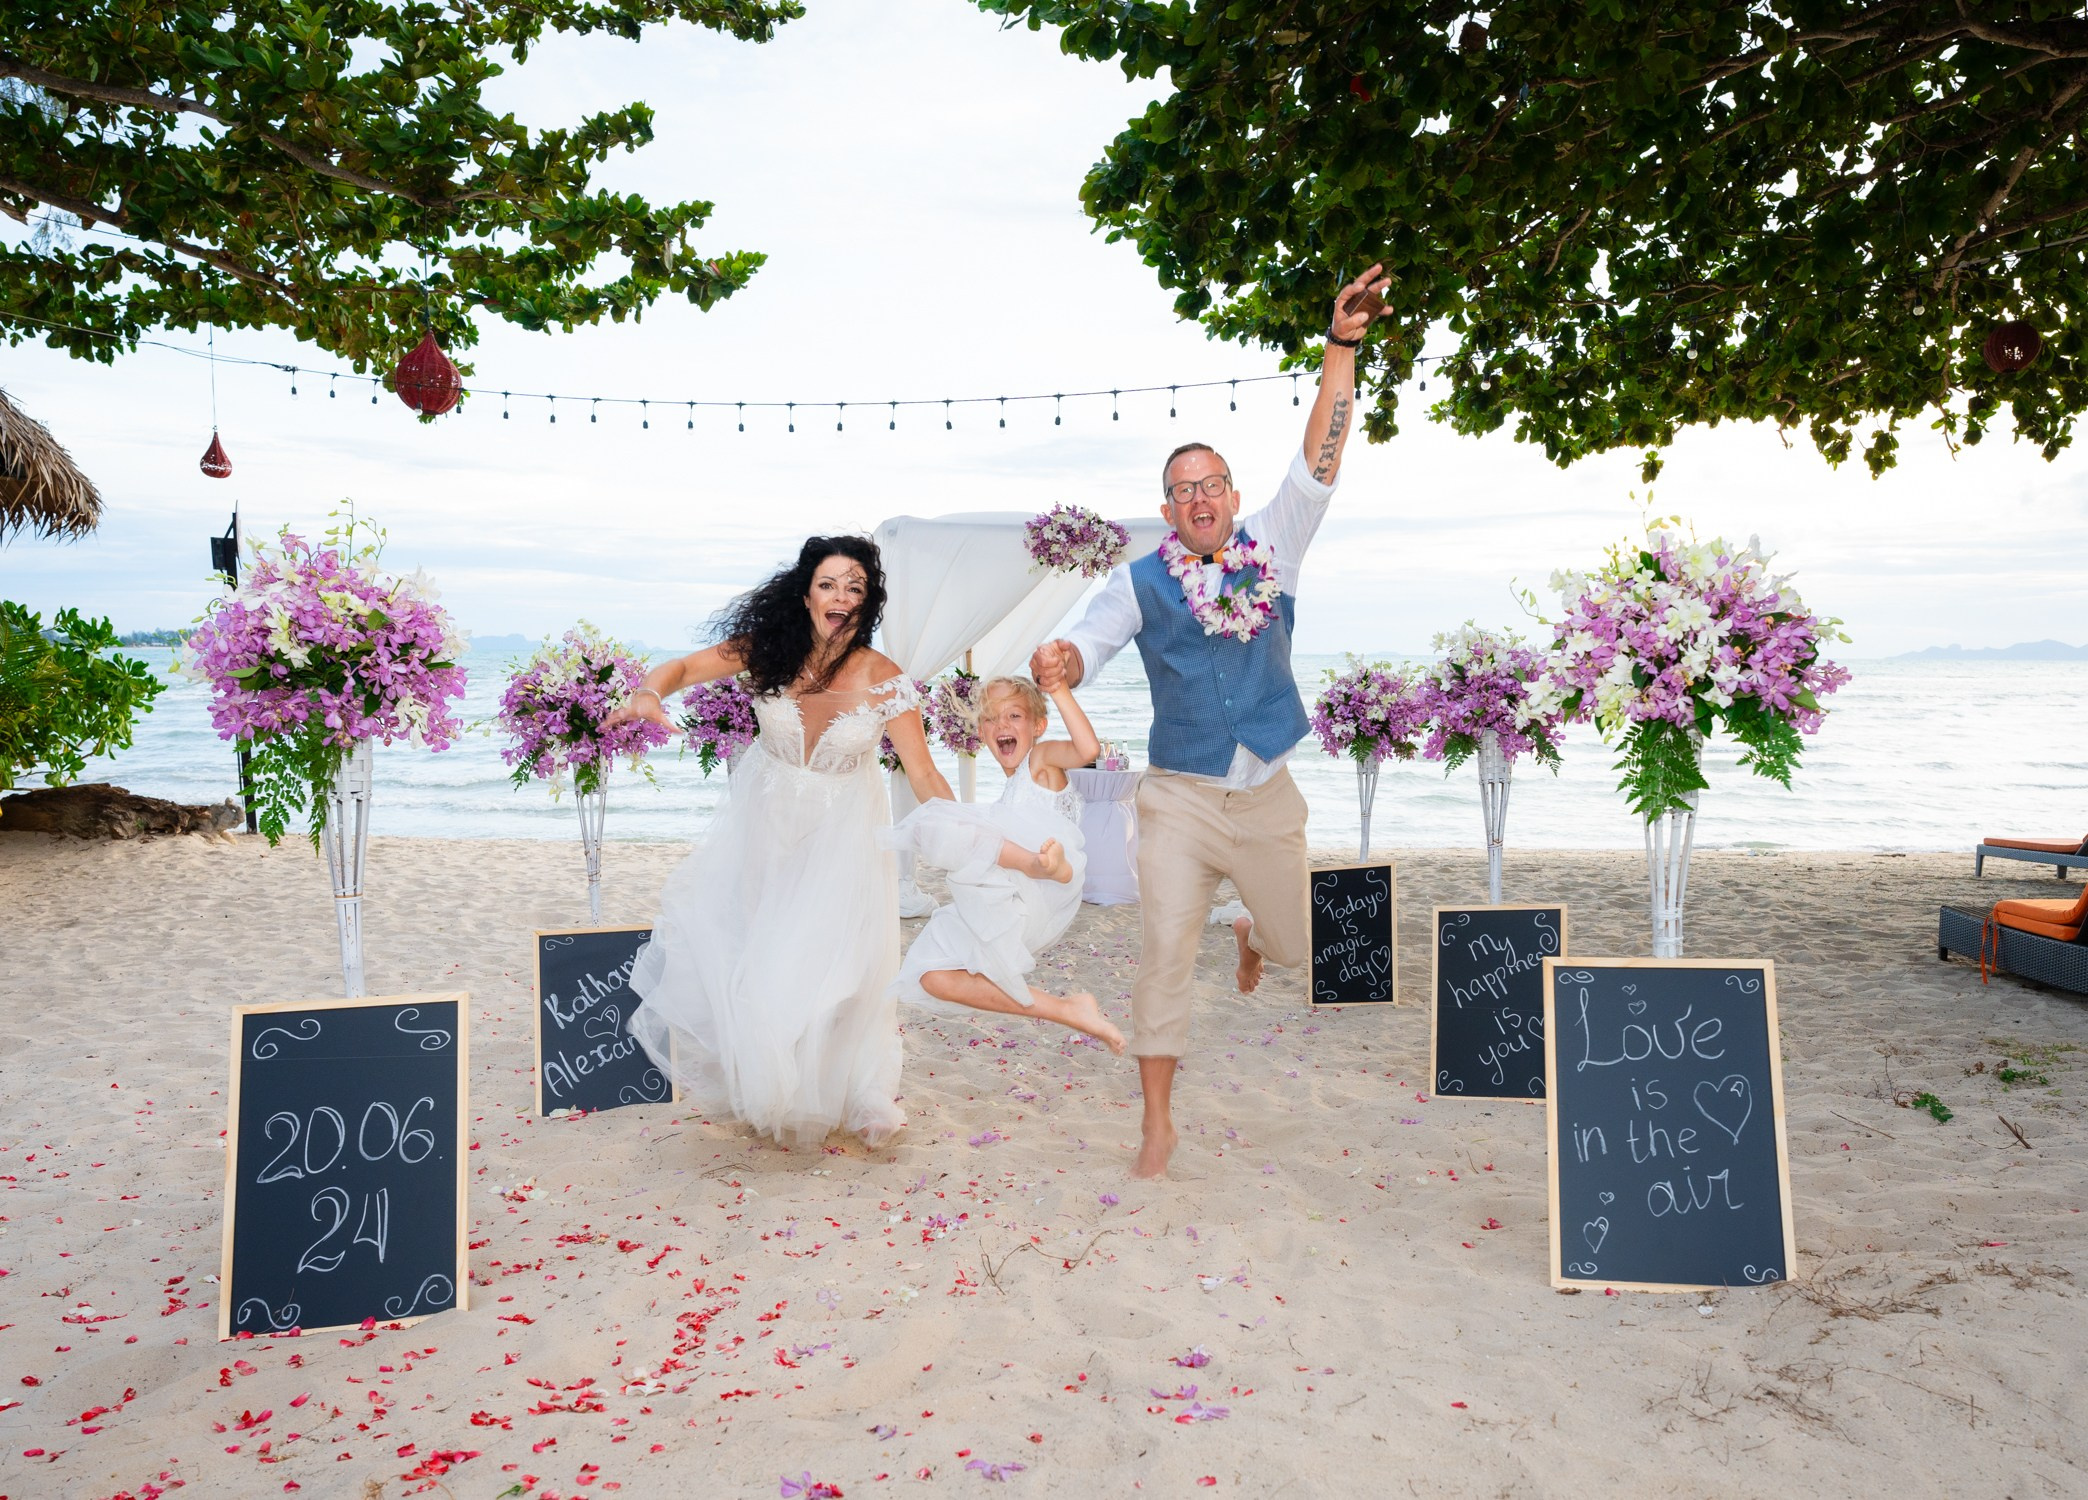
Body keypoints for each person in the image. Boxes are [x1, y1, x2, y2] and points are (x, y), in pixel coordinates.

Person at [1032, 264, 1388, 1178]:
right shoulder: (1139, 580)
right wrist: (1064, 662)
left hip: (1266, 791)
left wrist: (1341, 349)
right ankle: (1156, 1124)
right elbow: (1090, 640)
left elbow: (1321, 458)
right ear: (1167, 510)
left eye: (1214, 484)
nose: (1201, 498)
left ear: (1232, 496)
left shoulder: (1277, 544)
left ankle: (1255, 933)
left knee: (1312, 951)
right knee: (1161, 957)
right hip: (1180, 800)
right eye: (1184, 489)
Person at [605, 536, 953, 1149]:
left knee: (838, 966)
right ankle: (772, 1087)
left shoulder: (884, 678)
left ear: (867, 602)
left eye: (855, 587)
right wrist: (648, 695)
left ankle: (857, 1090)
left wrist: (970, 833)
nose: (840, 595)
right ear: (806, 593)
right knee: (763, 952)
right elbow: (682, 668)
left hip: (843, 834)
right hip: (765, 827)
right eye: (828, 584)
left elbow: (923, 774)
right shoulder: (769, 651)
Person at [882, 675, 1126, 1053]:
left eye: (1014, 716)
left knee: (970, 831)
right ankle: (1069, 1009)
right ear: (982, 732)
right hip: (1013, 902)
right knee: (932, 975)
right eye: (992, 719)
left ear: (1037, 726)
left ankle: (1046, 864)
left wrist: (1058, 690)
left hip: (1048, 884)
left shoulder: (1040, 763)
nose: (1002, 726)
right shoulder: (1007, 796)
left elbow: (1087, 749)